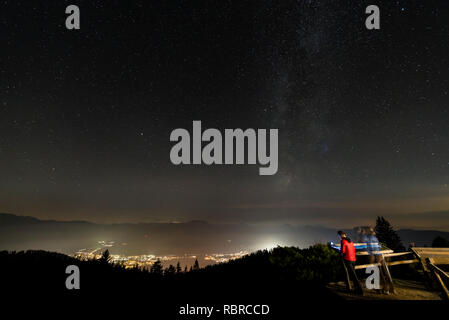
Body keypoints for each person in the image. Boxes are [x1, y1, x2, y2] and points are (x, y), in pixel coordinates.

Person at [338, 230, 364, 295]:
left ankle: (360, 291)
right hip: (354, 259)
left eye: (339, 236)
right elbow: (353, 249)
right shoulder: (350, 241)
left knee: (353, 276)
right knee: (353, 275)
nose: (339, 237)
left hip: (348, 259)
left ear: (341, 235)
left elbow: (343, 251)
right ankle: (356, 289)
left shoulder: (343, 241)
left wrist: (340, 251)